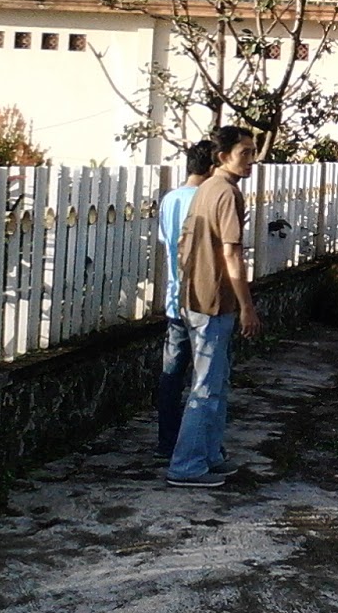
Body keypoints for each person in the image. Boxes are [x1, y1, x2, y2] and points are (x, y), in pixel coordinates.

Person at [165, 125, 262, 488]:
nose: (251, 160)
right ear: (222, 157)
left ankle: (208, 456)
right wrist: (247, 307)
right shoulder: (225, 193)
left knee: (215, 383)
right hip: (212, 302)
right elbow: (232, 254)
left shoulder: (205, 188)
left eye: (253, 152)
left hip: (195, 297)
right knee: (206, 387)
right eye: (245, 153)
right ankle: (186, 466)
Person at [154, 139, 215, 457]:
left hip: (175, 298)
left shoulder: (169, 199)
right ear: (213, 166)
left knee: (172, 374)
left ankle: (166, 441)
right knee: (206, 377)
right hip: (205, 301)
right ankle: (197, 445)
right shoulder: (209, 199)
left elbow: (166, 240)